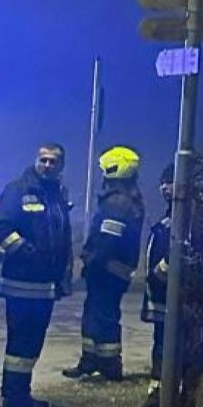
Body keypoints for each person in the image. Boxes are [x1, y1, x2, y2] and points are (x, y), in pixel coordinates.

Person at [0, 143, 73, 407]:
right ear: (36, 161)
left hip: (45, 285)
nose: (47, 165)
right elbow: (1, 229)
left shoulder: (56, 194)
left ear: (60, 166)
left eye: (53, 162)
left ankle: (19, 392)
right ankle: (15, 397)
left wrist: (62, 274)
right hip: (22, 282)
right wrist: (27, 252)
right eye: (43, 160)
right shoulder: (18, 190)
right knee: (21, 342)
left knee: (33, 342)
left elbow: (62, 237)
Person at [64, 146, 145, 382]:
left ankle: (110, 365)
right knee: (95, 314)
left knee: (104, 316)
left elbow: (107, 240)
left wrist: (91, 262)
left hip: (107, 269)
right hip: (113, 269)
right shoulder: (127, 198)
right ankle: (90, 360)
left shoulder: (117, 202)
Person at [139, 163, 175, 407]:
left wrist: (157, 274)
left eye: (170, 182)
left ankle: (162, 400)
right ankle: (156, 395)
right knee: (160, 346)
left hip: (170, 299)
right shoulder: (169, 217)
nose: (165, 187)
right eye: (163, 182)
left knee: (167, 348)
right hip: (161, 298)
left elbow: (180, 253)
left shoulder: (186, 219)